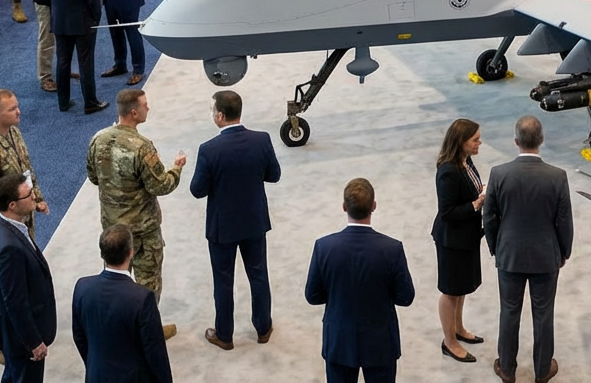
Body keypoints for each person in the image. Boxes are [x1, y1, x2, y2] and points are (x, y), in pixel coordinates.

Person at [86, 88, 185, 334]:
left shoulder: (98, 138)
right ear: (134, 112)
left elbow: (93, 177)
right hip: (142, 229)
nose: (148, 108)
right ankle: (147, 330)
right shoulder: (142, 147)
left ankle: (115, 328)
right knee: (148, 282)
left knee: (114, 279)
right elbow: (160, 185)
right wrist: (176, 168)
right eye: (145, 105)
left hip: (112, 226)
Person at [482, 116, 573, 383]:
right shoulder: (558, 176)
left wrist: (496, 247)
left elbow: (489, 217)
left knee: (509, 311)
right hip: (546, 256)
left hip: (509, 255)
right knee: (543, 313)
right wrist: (564, 251)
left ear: (515, 141)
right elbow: (564, 219)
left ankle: (507, 369)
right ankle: (543, 370)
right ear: (542, 140)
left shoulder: (498, 173)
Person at [189, 90, 282, 350]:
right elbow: (274, 175)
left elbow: (197, 190)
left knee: (223, 280)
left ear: (220, 115)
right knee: (259, 275)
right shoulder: (261, 140)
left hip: (222, 227)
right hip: (254, 221)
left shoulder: (208, 150)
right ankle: (263, 328)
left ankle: (225, 334)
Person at [305, 178, 415, 383]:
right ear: (374, 206)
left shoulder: (324, 247)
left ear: (344, 207)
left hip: (339, 341)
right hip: (380, 343)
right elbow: (405, 297)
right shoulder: (392, 249)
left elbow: (312, 296)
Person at [0, 89, 48, 353]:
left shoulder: (13, 132)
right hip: (2, 229)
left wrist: (37, 199)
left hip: (21, 219)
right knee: (0, 285)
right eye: (12, 109)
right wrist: (5, 231)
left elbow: (25, 171)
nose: (19, 112)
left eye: (17, 106)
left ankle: (24, 330)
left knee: (24, 278)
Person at [72, 224, 172, 383]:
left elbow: (79, 337)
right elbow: (155, 352)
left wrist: (94, 365)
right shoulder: (143, 298)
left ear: (102, 255)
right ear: (131, 253)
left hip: (96, 375)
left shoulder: (82, 288)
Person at [0, 172, 57, 383]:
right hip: (20, 339)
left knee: (13, 376)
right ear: (13, 205)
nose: (34, 196)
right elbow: (15, 302)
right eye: (29, 195)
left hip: (11, 334)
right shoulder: (9, 248)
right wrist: (33, 342)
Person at [36, 0, 107, 115]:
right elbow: (94, 0)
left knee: (62, 62)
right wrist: (95, 21)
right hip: (84, 24)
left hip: (59, 23)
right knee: (86, 64)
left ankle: (63, 102)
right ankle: (90, 102)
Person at [432, 119, 485, 364]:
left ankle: (459, 328)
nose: (479, 143)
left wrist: (481, 191)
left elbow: (472, 188)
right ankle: (449, 341)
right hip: (451, 239)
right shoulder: (448, 171)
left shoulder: (466, 161)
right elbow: (447, 213)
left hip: (468, 235)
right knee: (451, 291)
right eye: (475, 140)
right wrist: (477, 204)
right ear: (461, 142)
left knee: (462, 287)